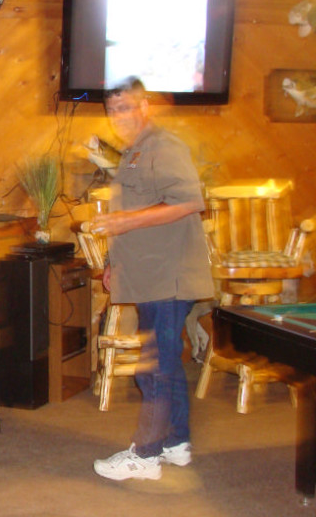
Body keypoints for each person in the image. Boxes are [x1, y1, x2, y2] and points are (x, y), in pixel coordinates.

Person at [90, 77, 213, 481]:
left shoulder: (164, 146)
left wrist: (125, 220)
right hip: (147, 273)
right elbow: (137, 208)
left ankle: (146, 456)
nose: (118, 116)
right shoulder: (134, 153)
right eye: (112, 109)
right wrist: (113, 260)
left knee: (153, 366)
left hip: (168, 275)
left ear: (145, 107)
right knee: (166, 363)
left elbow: (190, 200)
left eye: (126, 107)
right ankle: (176, 442)